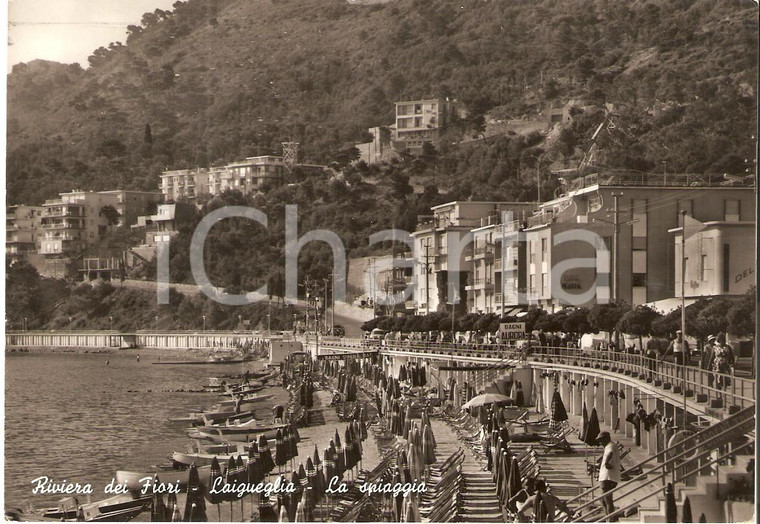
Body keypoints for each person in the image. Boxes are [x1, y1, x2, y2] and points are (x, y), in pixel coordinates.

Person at [597, 431, 621, 521]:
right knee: (603, 500)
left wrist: (606, 462)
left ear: (606, 439)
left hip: (608, 477)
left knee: (607, 500)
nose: (600, 443)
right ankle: (609, 517)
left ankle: (610, 519)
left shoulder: (610, 446)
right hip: (607, 477)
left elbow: (610, 453)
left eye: (601, 440)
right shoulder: (610, 445)